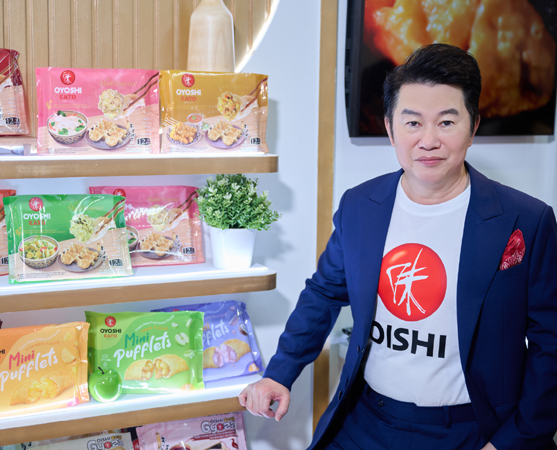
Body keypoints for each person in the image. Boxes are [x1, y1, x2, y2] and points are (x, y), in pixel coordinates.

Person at [239, 43, 557, 449]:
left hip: (469, 430)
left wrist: (512, 442)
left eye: (446, 122)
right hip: (366, 421)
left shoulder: (526, 220)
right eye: (412, 123)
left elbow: (551, 343)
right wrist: (279, 372)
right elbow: (323, 293)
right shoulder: (360, 205)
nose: (429, 140)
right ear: (390, 129)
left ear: (473, 126)